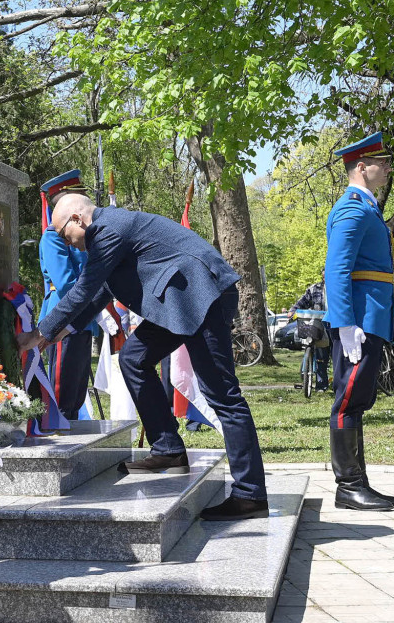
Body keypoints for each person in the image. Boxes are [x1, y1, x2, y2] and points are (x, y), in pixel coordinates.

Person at [16, 192, 269, 521]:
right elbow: (102, 290)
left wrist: (40, 332)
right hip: (181, 299)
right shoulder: (110, 229)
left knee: (223, 395)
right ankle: (168, 449)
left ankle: (251, 494)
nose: (69, 244)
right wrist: (60, 332)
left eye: (65, 235)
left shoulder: (107, 229)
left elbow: (85, 287)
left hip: (201, 295)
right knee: (133, 358)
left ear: (77, 220)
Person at [324, 131, 394, 512]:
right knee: (348, 400)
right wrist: (344, 322)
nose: (387, 167)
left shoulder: (366, 208)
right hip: (359, 319)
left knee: (358, 400)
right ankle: (348, 485)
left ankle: (359, 482)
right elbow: (336, 269)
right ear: (361, 167)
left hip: (370, 317)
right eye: (381, 162)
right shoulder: (353, 208)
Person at [38, 170, 101, 420]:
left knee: (76, 389)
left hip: (83, 316)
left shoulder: (87, 233)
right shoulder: (54, 236)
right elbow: (65, 282)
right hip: (65, 315)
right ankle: (60, 433)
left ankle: (73, 433)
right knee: (62, 391)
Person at [287, 271, 331, 392]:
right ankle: (321, 385)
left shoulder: (339, 288)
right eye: (324, 274)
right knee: (321, 356)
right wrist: (292, 311)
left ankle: (339, 384)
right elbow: (302, 302)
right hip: (320, 324)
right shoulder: (315, 289)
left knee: (338, 356)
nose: (325, 276)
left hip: (336, 325)